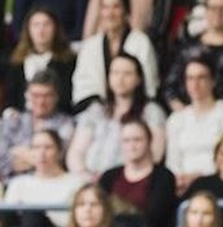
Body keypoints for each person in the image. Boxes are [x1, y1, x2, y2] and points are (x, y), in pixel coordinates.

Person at [68, 53, 166, 182]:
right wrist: (84, 174)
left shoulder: (151, 111)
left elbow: (155, 153)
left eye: (127, 74)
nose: (120, 79)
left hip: (129, 181)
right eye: (115, 73)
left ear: (138, 79)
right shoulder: (96, 110)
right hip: (89, 180)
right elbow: (76, 151)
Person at [165, 58, 223, 195]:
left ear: (213, 81)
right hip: (183, 188)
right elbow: (172, 162)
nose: (195, 84)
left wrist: (200, 178)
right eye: (190, 78)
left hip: (222, 185)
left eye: (201, 77)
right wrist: (180, 180)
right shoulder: (176, 119)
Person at [71, 0, 159, 112]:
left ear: (126, 11)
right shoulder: (90, 46)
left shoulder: (141, 42)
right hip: (96, 110)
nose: (110, 13)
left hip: (135, 110)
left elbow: (149, 84)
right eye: (105, 7)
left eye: (116, 7)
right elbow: (82, 85)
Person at [98, 117, 179, 227]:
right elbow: (100, 212)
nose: (132, 146)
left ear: (149, 141)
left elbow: (155, 218)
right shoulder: (109, 176)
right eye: (126, 141)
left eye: (137, 140)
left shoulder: (164, 176)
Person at [3, 129, 85, 227]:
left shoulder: (76, 182)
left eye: (48, 147)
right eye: (36, 147)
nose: (42, 153)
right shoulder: (18, 183)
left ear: (59, 151)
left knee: (33, 214)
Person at [0, 66, 76, 181]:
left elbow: (57, 159)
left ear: (56, 97)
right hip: (12, 183)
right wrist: (38, 158)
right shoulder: (14, 120)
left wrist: (18, 152)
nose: (41, 102)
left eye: (47, 96)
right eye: (36, 95)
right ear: (27, 96)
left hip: (50, 182)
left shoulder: (66, 124)